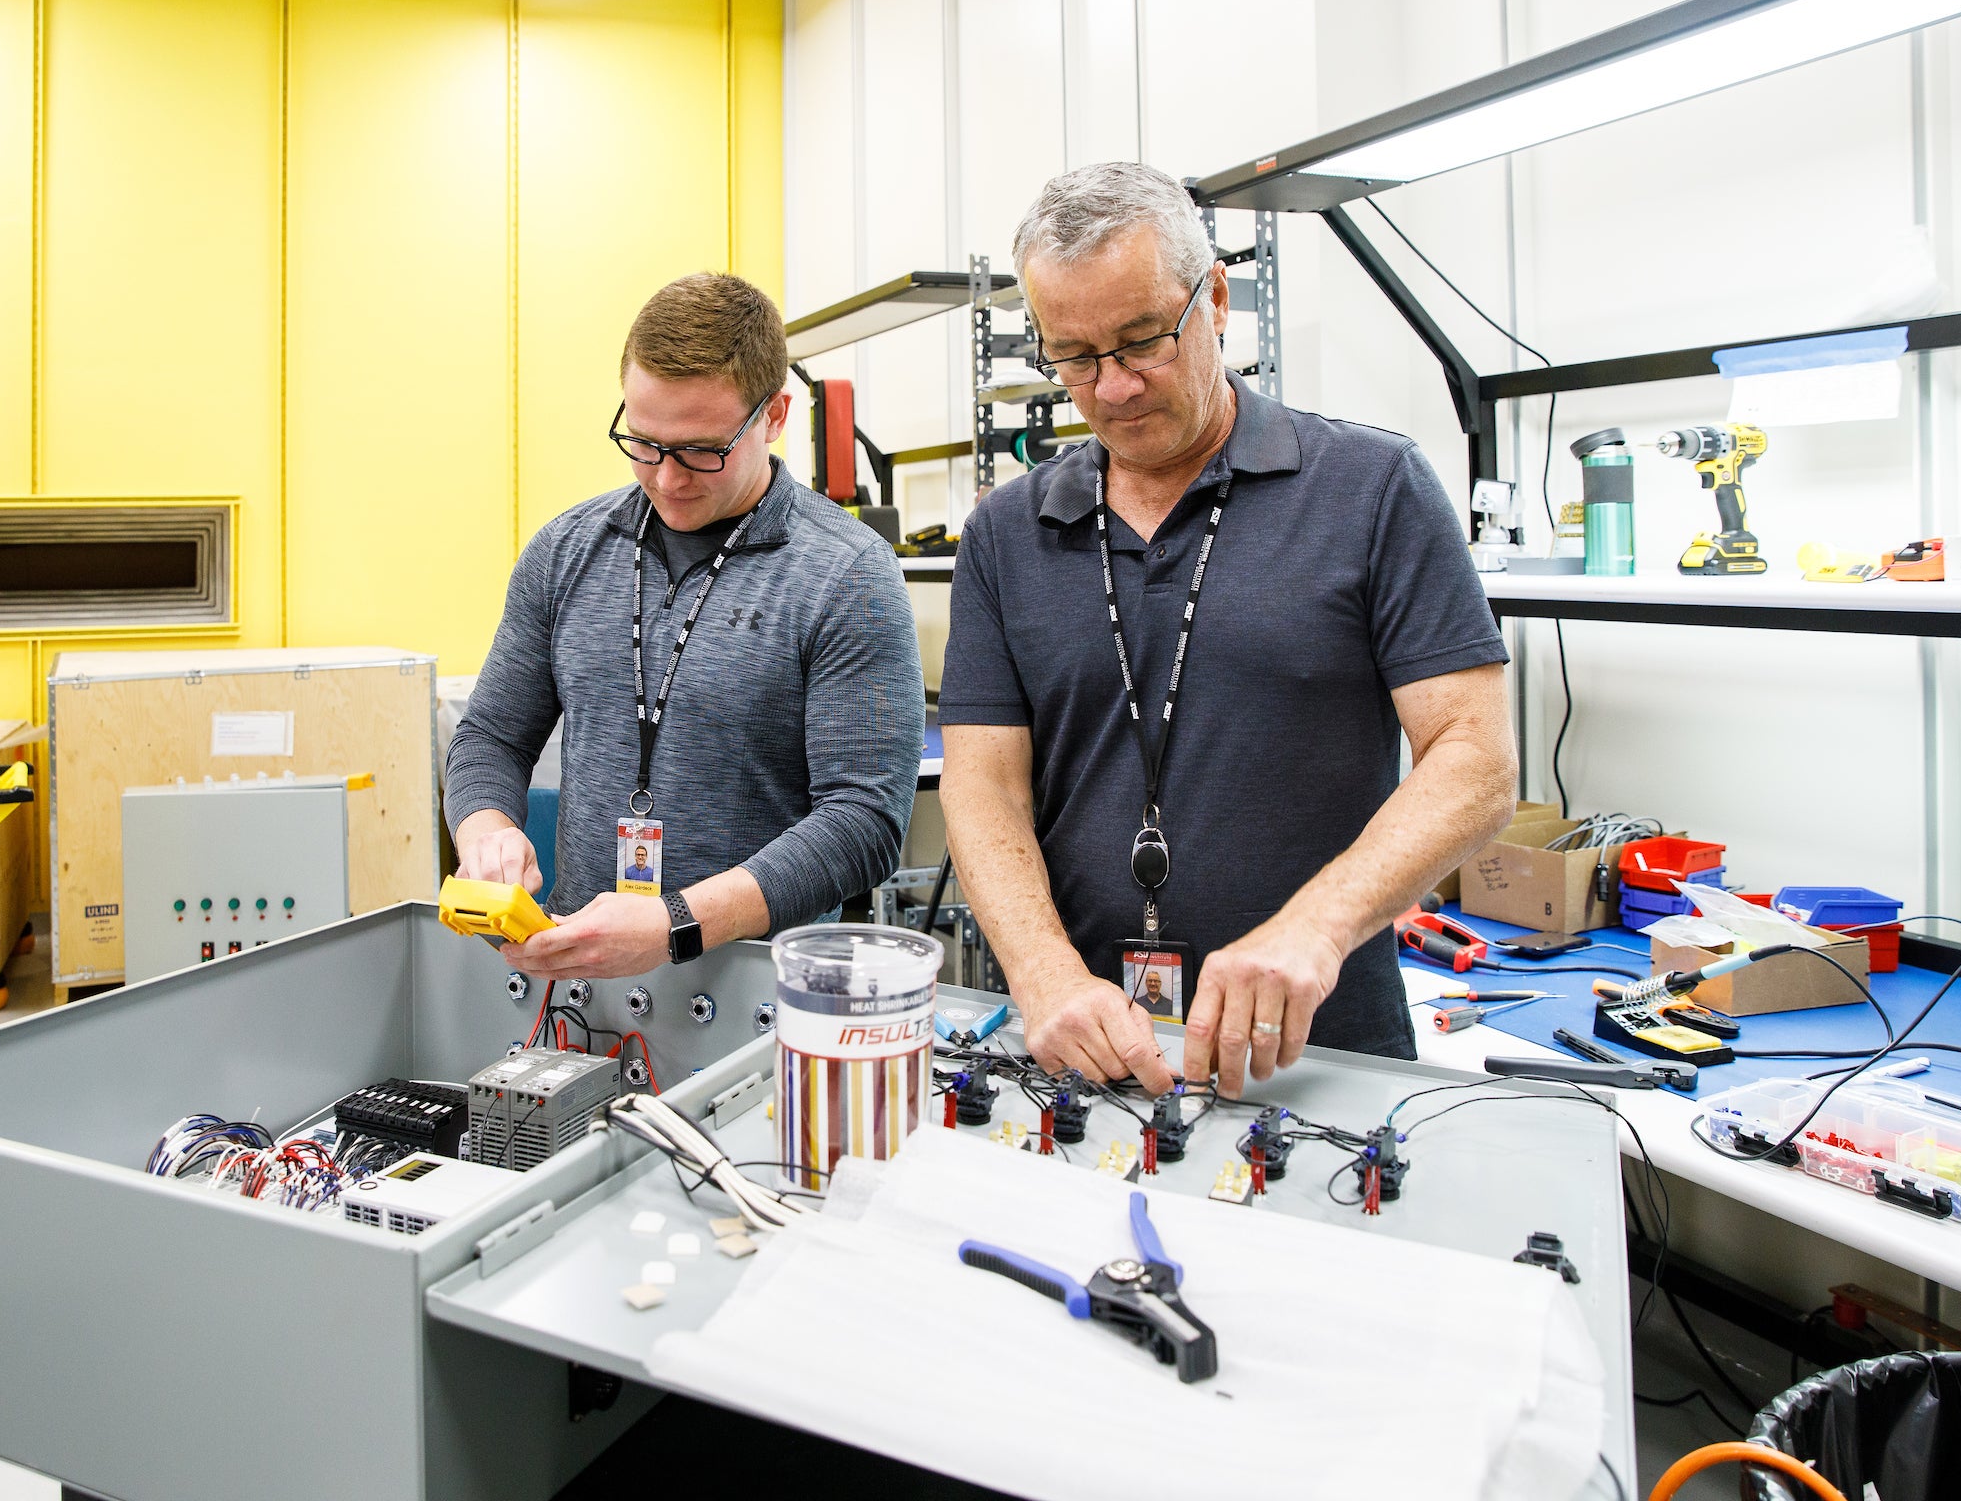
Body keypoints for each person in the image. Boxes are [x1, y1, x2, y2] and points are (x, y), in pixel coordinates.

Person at [938, 162, 1518, 1099]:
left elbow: (1475, 758)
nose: (1115, 386)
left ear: (1213, 299)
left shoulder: (1371, 489)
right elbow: (982, 785)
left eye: (1140, 341)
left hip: (1322, 1058)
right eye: (1076, 357)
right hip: (1089, 1048)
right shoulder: (1008, 535)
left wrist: (1316, 927)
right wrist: (1042, 972)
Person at [446, 272, 925, 978]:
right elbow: (490, 736)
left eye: (703, 449)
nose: (669, 479)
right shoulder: (567, 551)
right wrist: (486, 830)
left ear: (775, 415)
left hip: (755, 992)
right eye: (644, 444)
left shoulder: (848, 574)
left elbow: (863, 824)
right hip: (584, 977)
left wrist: (677, 924)